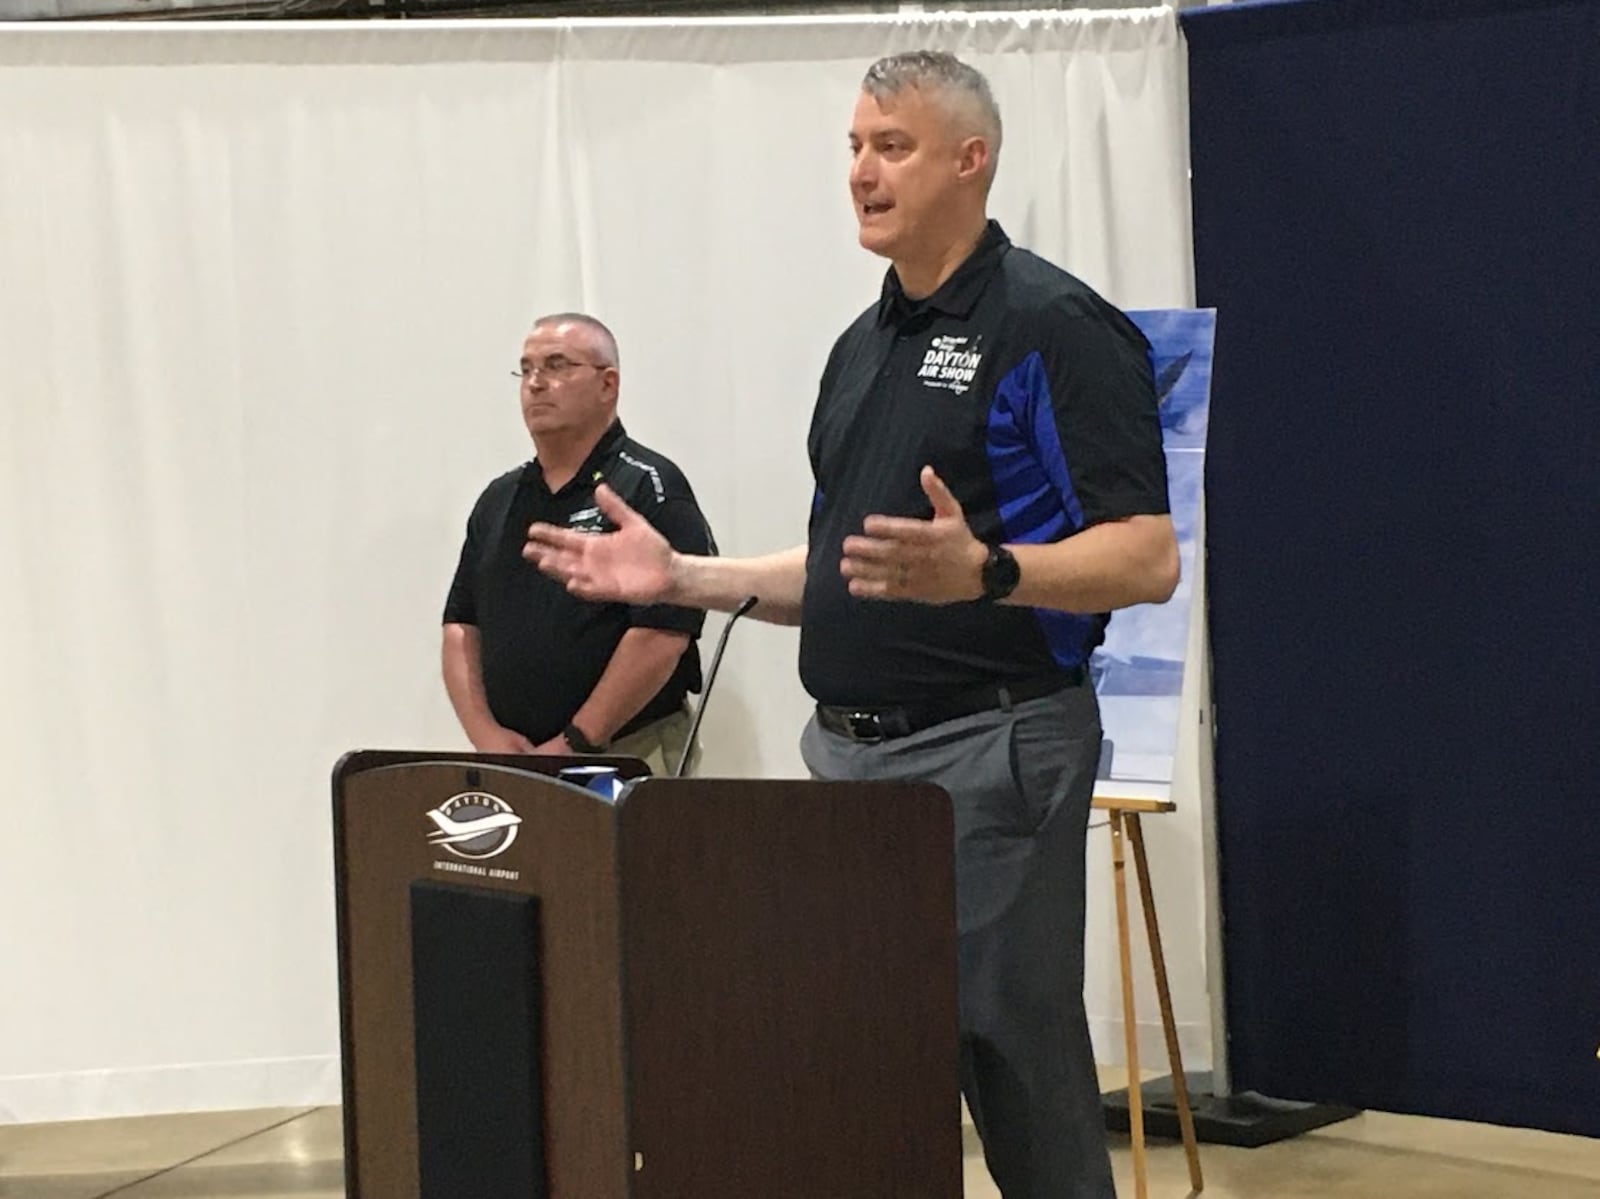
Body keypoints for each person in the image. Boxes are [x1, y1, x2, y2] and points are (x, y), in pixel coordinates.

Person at [524, 54, 1176, 1199]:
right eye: (854, 146)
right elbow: (842, 569)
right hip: (851, 760)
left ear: (972, 160)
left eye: (894, 147)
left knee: (1005, 1050)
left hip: (993, 747)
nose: (862, 173)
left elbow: (1145, 555)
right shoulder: (860, 345)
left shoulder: (1054, 326)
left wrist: (989, 570)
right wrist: (684, 571)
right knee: (862, 1062)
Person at [442, 312, 716, 775]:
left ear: (608, 385)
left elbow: (662, 635)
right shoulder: (499, 499)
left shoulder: (648, 486)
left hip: (627, 750)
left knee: (636, 851)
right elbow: (460, 625)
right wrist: (485, 735)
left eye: (556, 365)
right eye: (526, 368)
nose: (535, 383)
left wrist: (576, 741)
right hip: (512, 757)